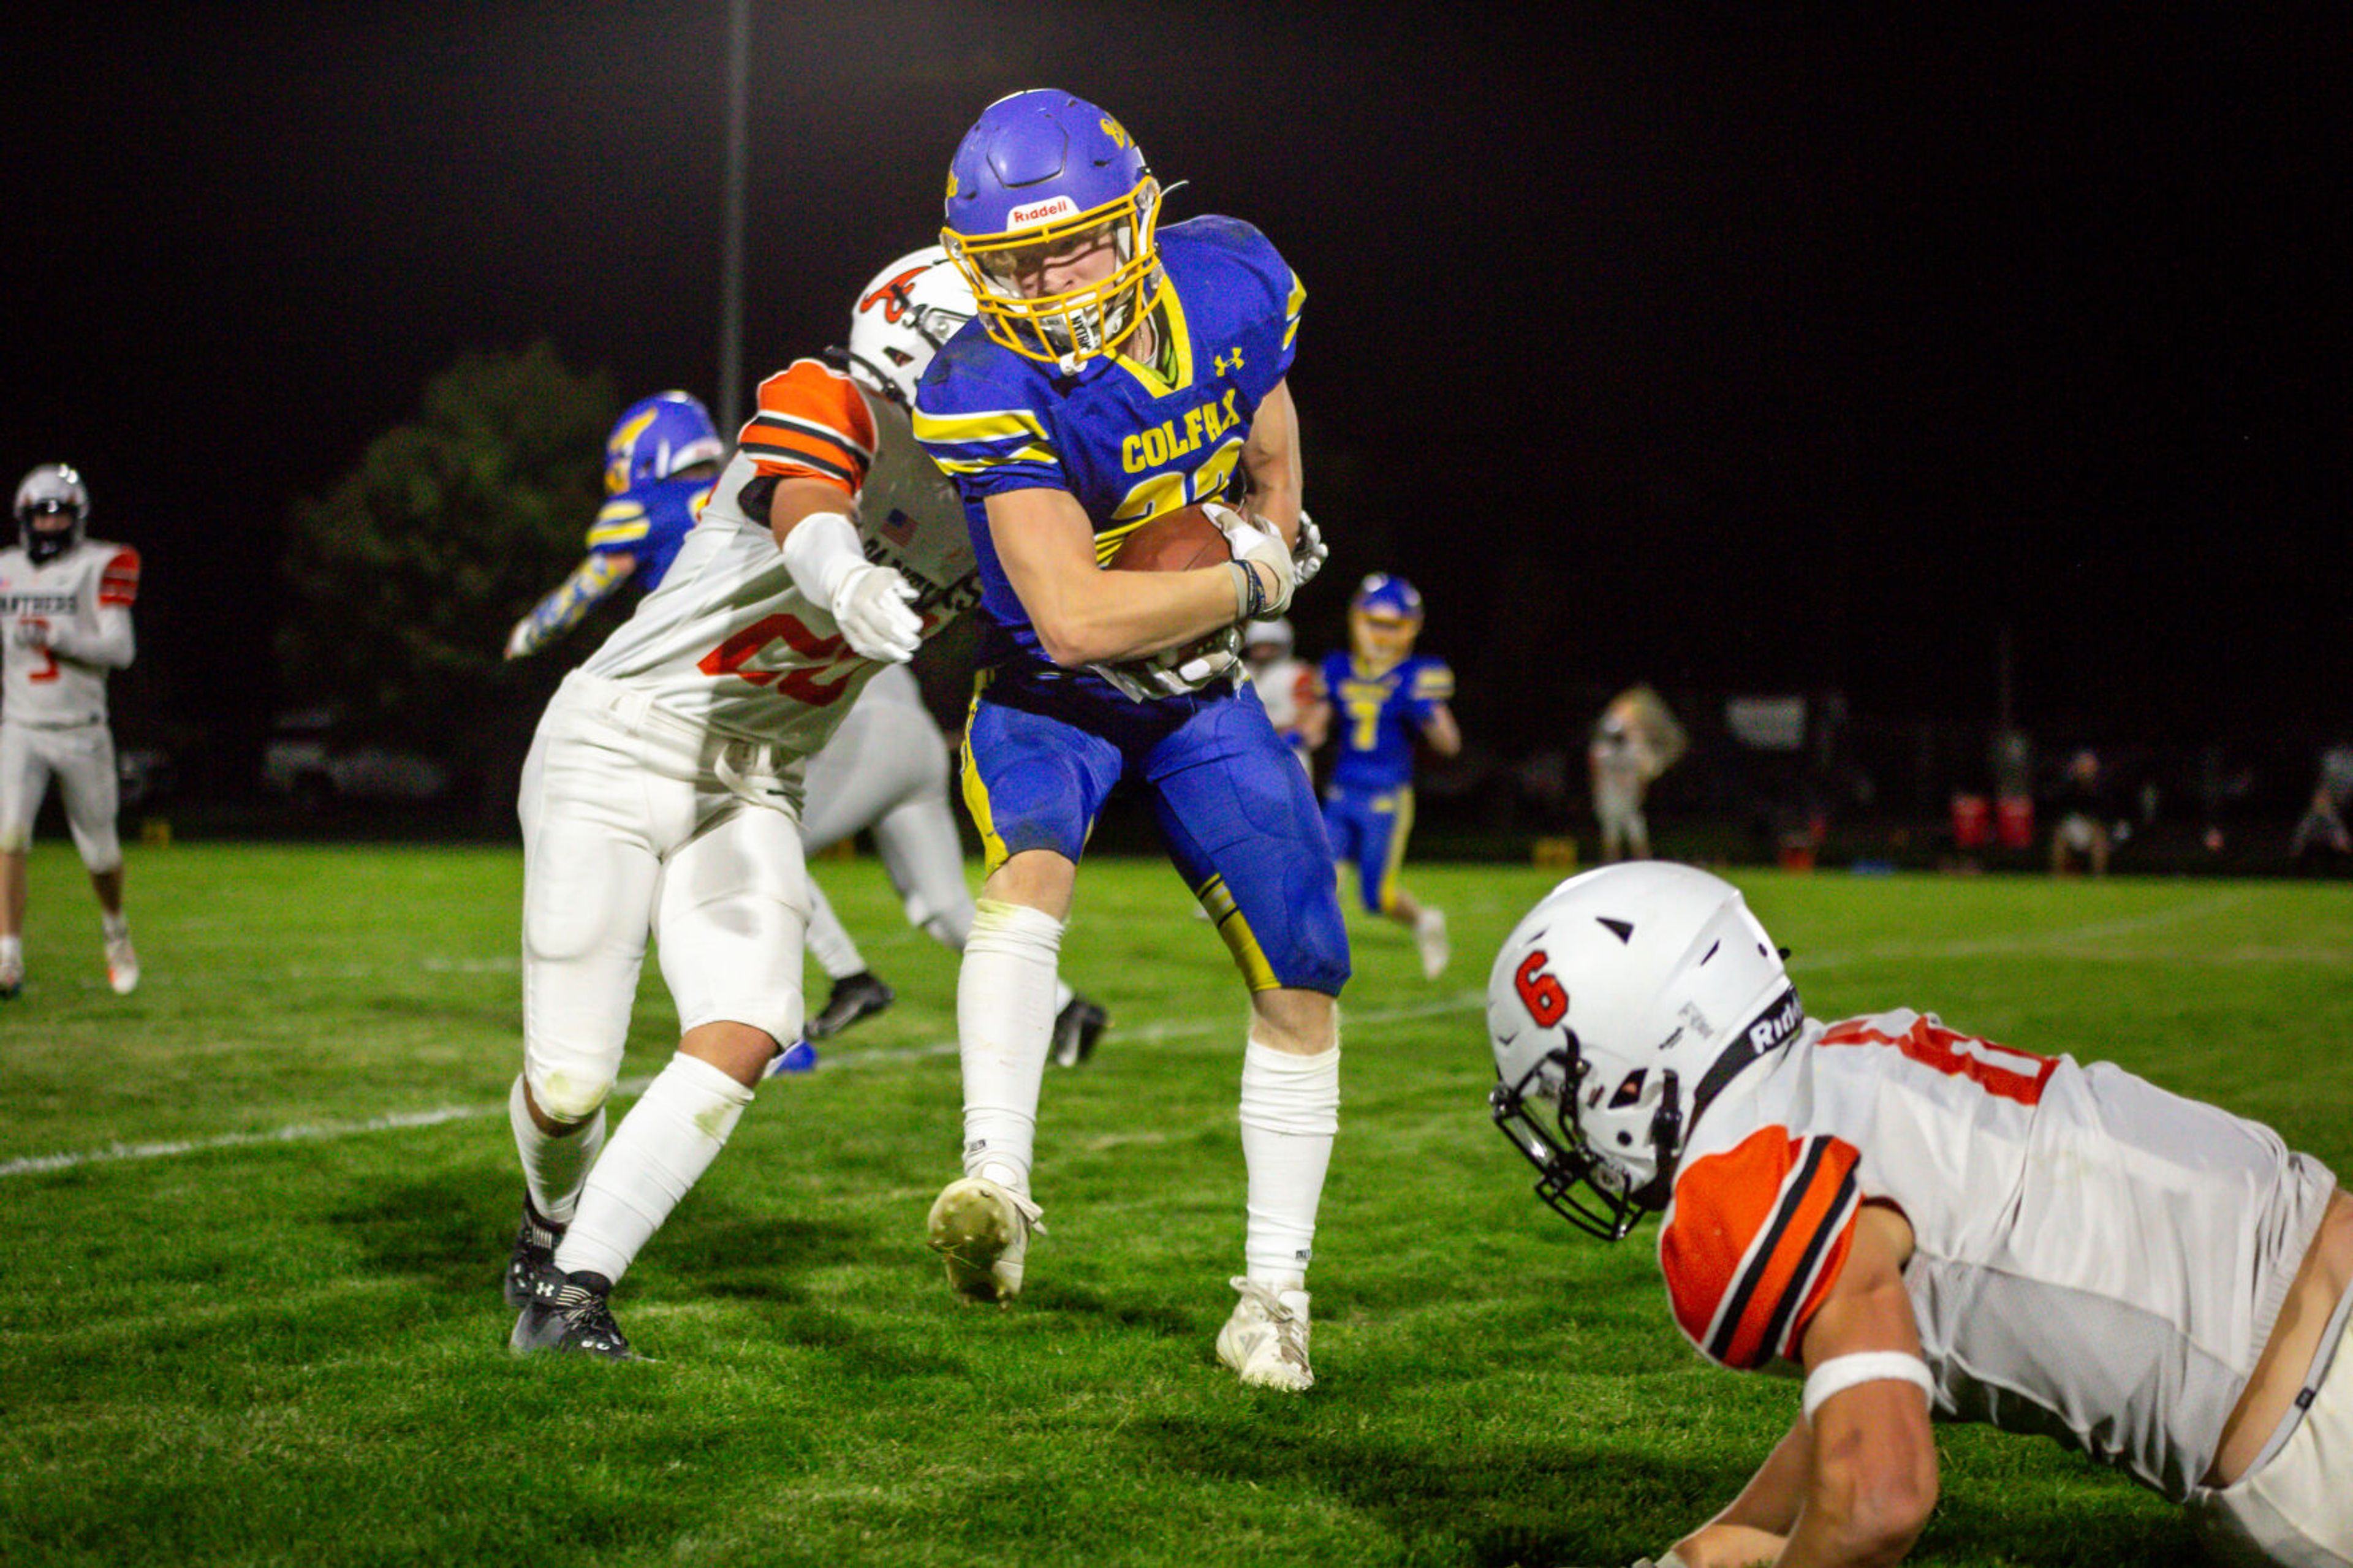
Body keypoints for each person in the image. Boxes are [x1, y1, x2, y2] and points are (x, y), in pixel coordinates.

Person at [1485, 862, 2353, 1568]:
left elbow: (1876, 1502)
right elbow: (1889, 1350)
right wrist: (1725, 1538)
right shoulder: (1843, 1066)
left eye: (1565, 1094)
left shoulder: (1745, 1184)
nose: (1571, 1134)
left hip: (2323, 1429)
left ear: (1632, 1077)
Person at [911, 88, 1340, 1390]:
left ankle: (1275, 1295)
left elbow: (1262, 405)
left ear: (1140, 218)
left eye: (1077, 243)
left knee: (1302, 969)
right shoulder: (985, 380)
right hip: (1055, 686)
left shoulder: (1231, 282)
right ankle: (995, 1188)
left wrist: (1274, 512)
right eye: (1018, 262)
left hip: (1201, 691)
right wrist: (1256, 581)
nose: (1050, 282)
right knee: (1027, 869)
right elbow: (1077, 617)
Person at [502, 247, 987, 1359]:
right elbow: (811, 506)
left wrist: (1232, 558)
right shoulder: (823, 395)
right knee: (572, 1081)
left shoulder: (1001, 490)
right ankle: (544, 1216)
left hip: (756, 780)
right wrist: (846, 575)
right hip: (616, 748)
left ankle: (574, 1291)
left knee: (759, 1017)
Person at [792, 661, 1110, 1069]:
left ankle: (850, 977)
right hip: (918, 740)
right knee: (944, 907)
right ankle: (1067, 1007)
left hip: (866, 733)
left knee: (770, 852)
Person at [0, 465, 140, 999]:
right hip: (21, 725)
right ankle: (8, 956)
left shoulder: (102, 563)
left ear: (77, 519)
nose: (50, 524)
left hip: (81, 730)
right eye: (41, 513)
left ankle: (115, 930)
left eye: (59, 514)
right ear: (24, 517)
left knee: (100, 851)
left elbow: (121, 652)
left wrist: (61, 636)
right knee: (9, 832)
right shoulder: (6, 570)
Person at [1310, 573, 1460, 980]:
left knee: (1377, 897)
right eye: (1374, 621)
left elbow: (1450, 745)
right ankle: (1314, 960)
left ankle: (1426, 920)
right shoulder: (1339, 667)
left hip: (1387, 795)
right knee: (1320, 874)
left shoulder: (1419, 675)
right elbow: (1314, 729)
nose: (1381, 632)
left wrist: (1428, 710)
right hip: (1342, 791)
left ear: (1409, 627)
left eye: (1391, 625)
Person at [502, 390, 724, 660]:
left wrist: (529, 634)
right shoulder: (743, 490)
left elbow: (586, 589)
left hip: (704, 656)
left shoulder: (649, 510)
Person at [1242, 617, 1320, 777]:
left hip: (1287, 747)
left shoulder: (1298, 673)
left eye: (1268, 645)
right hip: (1248, 747)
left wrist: (1294, 733)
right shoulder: (1242, 672)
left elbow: (1310, 713)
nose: (1262, 651)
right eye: (1258, 646)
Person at [2050, 746, 2113, 876]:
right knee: (2059, 835)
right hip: (2072, 825)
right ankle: (2058, 876)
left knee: (2100, 837)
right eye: (2082, 765)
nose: (2086, 769)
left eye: (2089, 766)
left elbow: (2106, 814)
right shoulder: (2067, 786)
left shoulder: (2102, 787)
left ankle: (2099, 877)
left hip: (2094, 827)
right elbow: (2060, 811)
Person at [2290, 741, 2353, 862]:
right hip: (2326, 805)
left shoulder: (2341, 771)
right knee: (2309, 828)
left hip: (2331, 803)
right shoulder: (2318, 811)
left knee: (2331, 829)